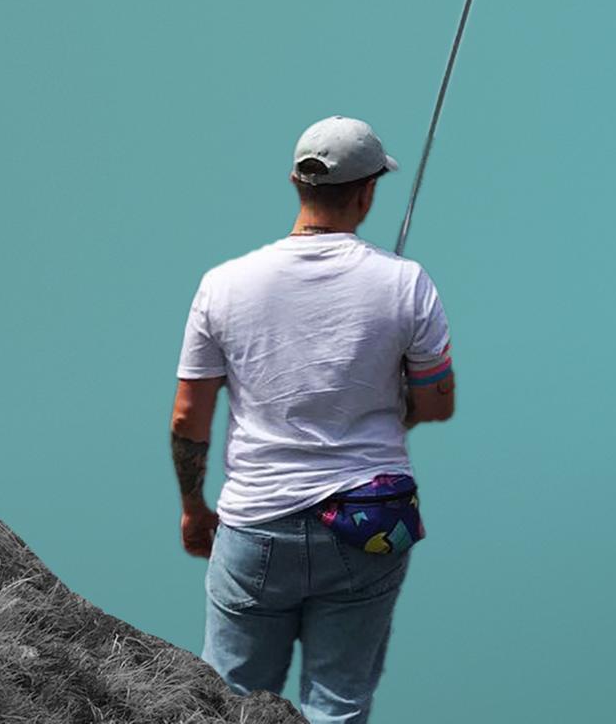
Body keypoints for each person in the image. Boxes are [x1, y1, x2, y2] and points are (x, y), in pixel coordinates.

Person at [169, 115, 457, 724]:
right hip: (367, 522)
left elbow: (189, 415)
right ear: (367, 192)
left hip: (256, 522)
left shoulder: (222, 285)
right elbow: (437, 403)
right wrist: (395, 397)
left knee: (228, 701)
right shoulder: (406, 284)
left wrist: (194, 508)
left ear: (296, 184)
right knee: (339, 704)